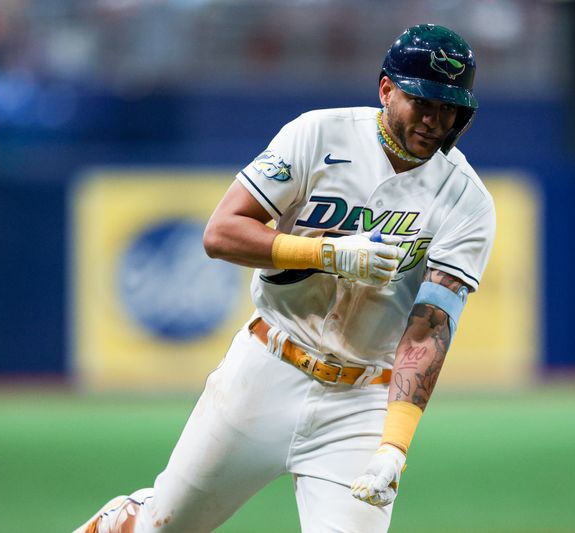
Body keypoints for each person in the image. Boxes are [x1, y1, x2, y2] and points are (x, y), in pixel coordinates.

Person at [75, 23, 495, 533]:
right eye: (422, 102)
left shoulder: (466, 199)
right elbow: (221, 233)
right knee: (162, 528)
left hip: (361, 401)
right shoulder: (319, 133)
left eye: (449, 108)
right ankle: (129, 518)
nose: (435, 120)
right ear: (386, 88)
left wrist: (394, 443)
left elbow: (429, 327)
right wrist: (330, 254)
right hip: (267, 367)